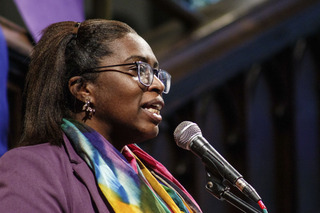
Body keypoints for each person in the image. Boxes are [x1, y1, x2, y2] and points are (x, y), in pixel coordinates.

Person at [0, 19, 202, 213]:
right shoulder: (32, 170)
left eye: (156, 73)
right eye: (137, 69)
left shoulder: (158, 184)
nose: (157, 84)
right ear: (83, 89)